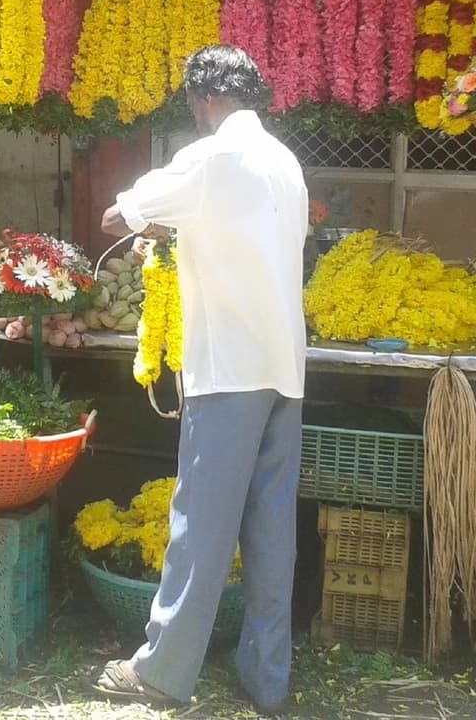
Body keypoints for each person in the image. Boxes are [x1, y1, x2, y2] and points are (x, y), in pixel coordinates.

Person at [94, 44, 309, 715]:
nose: (193, 114)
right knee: (273, 529)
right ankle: (267, 678)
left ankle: (161, 670)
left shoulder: (212, 157)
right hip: (283, 368)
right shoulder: (284, 161)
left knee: (201, 525)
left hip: (229, 368)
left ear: (205, 98)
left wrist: (155, 214)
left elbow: (116, 217)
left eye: (191, 104)